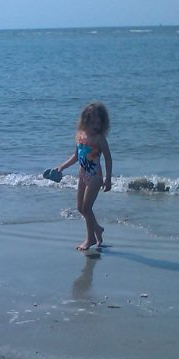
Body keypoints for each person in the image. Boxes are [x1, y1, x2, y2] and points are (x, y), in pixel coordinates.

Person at [55, 102, 112, 250]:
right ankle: (97, 230)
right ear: (85, 121)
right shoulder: (80, 135)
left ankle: (91, 239)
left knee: (87, 208)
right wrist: (62, 166)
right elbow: (76, 155)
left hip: (95, 177)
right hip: (82, 175)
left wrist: (108, 179)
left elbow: (108, 158)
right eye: (92, 122)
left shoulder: (99, 139)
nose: (96, 126)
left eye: (99, 123)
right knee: (80, 208)